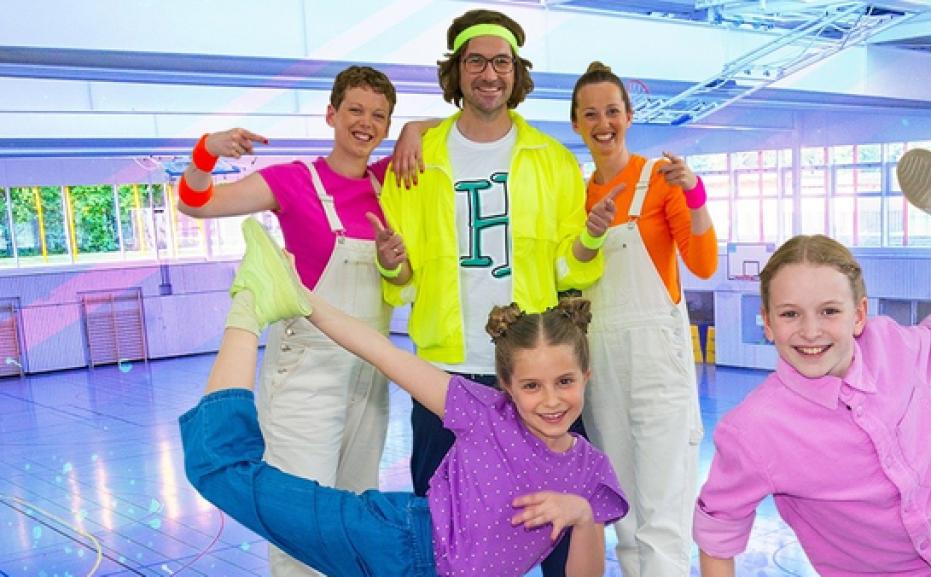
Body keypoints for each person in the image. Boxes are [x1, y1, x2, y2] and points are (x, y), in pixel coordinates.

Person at [179, 217, 629, 577]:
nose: (551, 400)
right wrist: (303, 300)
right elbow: (380, 351)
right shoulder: (484, 411)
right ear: (507, 386)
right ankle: (249, 303)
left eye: (565, 381)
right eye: (532, 385)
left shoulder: (591, 471)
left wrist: (583, 515)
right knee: (220, 471)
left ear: (586, 377)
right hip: (392, 537)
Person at [695, 148, 931, 577]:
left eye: (829, 311)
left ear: (859, 315)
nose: (811, 331)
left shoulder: (889, 343)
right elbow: (718, 528)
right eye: (791, 314)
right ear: (768, 323)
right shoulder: (754, 430)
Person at [377, 10, 618, 576]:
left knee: (562, 529)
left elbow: (568, 270)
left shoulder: (553, 161)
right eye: (476, 61)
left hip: (534, 370)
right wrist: (392, 268)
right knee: (445, 532)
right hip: (447, 370)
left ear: (517, 72)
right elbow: (403, 277)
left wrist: (589, 237)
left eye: (501, 62)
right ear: (457, 72)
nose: (490, 73)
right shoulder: (416, 159)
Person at [175, 66, 432, 577]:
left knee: (356, 512)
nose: (366, 124)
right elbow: (196, 203)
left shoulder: (390, 183)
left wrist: (413, 131)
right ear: (331, 114)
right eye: (355, 110)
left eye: (380, 116)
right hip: (307, 373)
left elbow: (459, 122)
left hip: (369, 373)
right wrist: (207, 151)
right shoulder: (293, 180)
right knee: (298, 518)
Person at [566, 61, 717, 577]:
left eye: (612, 111)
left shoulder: (660, 180)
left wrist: (694, 194)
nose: (603, 122)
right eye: (591, 114)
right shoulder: (576, 197)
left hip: (658, 362)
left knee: (664, 507)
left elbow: (702, 263)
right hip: (602, 363)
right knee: (624, 507)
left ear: (629, 116)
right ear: (576, 124)